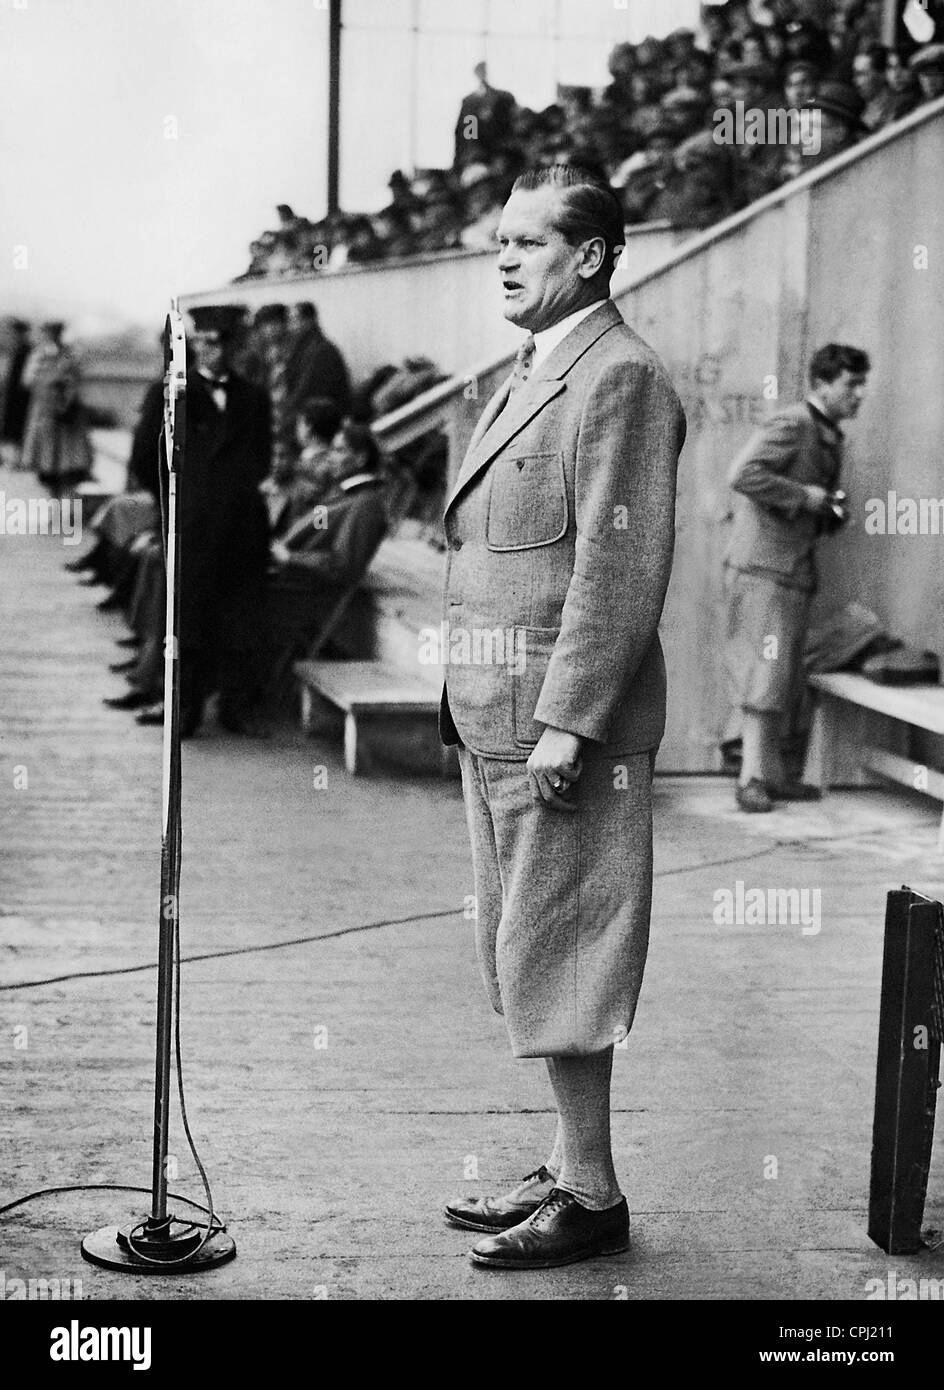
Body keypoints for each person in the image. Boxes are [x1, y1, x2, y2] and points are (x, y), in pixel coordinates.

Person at [439, 163, 686, 1270]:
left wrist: (569, 723)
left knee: (570, 957)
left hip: (555, 732)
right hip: (497, 717)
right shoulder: (537, 367)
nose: (501, 256)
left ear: (588, 256)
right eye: (497, 239)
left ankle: (591, 1192)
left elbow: (618, 567)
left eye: (528, 241)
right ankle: (565, 1159)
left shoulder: (619, 376)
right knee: (527, 948)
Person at [722, 343, 870, 813]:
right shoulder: (794, 423)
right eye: (851, 383)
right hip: (766, 568)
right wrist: (806, 498)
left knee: (783, 676)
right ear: (822, 384)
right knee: (763, 675)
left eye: (862, 383)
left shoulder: (828, 433)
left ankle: (773, 774)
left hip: (791, 570)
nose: (859, 394)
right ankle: (750, 780)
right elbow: (743, 474)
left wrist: (828, 510)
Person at [136, 305, 272, 737]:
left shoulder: (254, 397)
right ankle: (182, 710)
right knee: (185, 622)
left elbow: (261, 459)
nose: (211, 352)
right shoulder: (172, 394)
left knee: (238, 621)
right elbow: (146, 459)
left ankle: (236, 709)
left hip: (239, 530)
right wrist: (179, 506)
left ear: (233, 346)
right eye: (204, 343)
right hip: (190, 527)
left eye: (220, 343)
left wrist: (232, 494)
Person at [20, 321, 93, 496]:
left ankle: (64, 511)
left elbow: (75, 383)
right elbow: (28, 381)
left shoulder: (69, 355)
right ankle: (57, 509)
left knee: (68, 469)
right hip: (46, 416)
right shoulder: (40, 356)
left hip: (66, 419)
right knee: (48, 468)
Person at [454, 62, 517, 171]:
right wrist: (473, 154)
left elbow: (513, 127)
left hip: (504, 155)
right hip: (481, 157)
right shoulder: (470, 103)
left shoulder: (505, 98)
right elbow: (469, 133)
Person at [1, 319, 33, 464]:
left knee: (17, 425)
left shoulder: (27, 352)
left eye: (15, 333)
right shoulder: (13, 350)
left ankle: (15, 458)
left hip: (20, 395)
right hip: (9, 393)